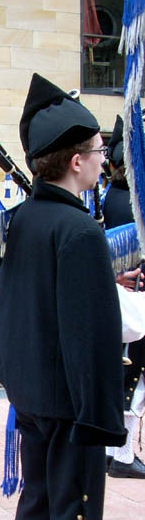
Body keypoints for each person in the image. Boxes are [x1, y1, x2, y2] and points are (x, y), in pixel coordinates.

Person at [0, 73, 125, 520]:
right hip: (72, 407)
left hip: (32, 397)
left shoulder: (23, 219)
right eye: (99, 153)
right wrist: (102, 416)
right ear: (75, 162)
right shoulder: (78, 230)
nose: (104, 162)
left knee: (36, 509)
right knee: (71, 519)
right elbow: (87, 336)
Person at [102, 115, 145, 479]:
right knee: (134, 380)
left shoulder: (109, 196)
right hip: (132, 296)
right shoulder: (128, 200)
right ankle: (124, 454)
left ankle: (113, 449)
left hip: (118, 295)